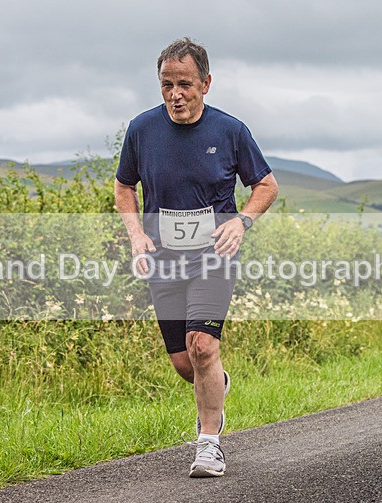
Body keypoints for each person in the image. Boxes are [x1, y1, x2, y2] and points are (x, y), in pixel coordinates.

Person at [114, 37, 278, 477]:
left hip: (213, 256)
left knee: (203, 346)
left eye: (184, 84)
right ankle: (216, 387)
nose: (175, 95)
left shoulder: (230, 131)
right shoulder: (142, 130)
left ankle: (209, 445)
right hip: (163, 259)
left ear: (206, 83)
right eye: (166, 84)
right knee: (185, 363)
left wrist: (240, 222)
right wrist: (134, 233)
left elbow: (266, 186)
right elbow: (123, 186)